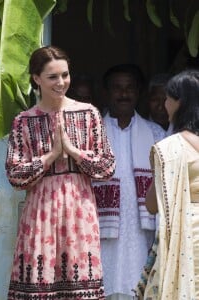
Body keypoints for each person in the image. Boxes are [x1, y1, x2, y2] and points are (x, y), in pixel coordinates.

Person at [5, 45, 116, 299]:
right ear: (36, 79)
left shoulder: (89, 114)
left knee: (81, 288)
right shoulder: (24, 120)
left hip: (79, 211)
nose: (61, 82)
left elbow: (107, 166)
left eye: (65, 75)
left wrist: (74, 152)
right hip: (39, 213)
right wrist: (51, 156)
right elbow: (15, 175)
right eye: (52, 77)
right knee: (38, 285)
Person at [92, 64, 165, 300]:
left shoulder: (156, 134)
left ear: (138, 92)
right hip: (102, 232)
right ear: (106, 93)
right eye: (117, 88)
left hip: (141, 232)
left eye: (130, 88)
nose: (124, 94)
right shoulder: (92, 134)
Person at [140, 69, 199, 299]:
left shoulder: (171, 148)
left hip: (185, 237)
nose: (164, 104)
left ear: (179, 103)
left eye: (168, 98)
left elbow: (152, 205)